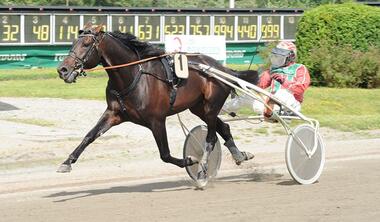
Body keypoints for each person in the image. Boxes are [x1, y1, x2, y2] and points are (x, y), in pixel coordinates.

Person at [252, 41, 311, 119]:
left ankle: (269, 113)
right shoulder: (272, 69)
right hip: (272, 102)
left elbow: (300, 89)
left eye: (281, 56)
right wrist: (251, 80)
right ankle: (231, 108)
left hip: (292, 104)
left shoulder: (300, 68)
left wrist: (284, 82)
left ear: (291, 57)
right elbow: (261, 86)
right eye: (276, 55)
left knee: (280, 93)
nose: (277, 59)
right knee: (249, 97)